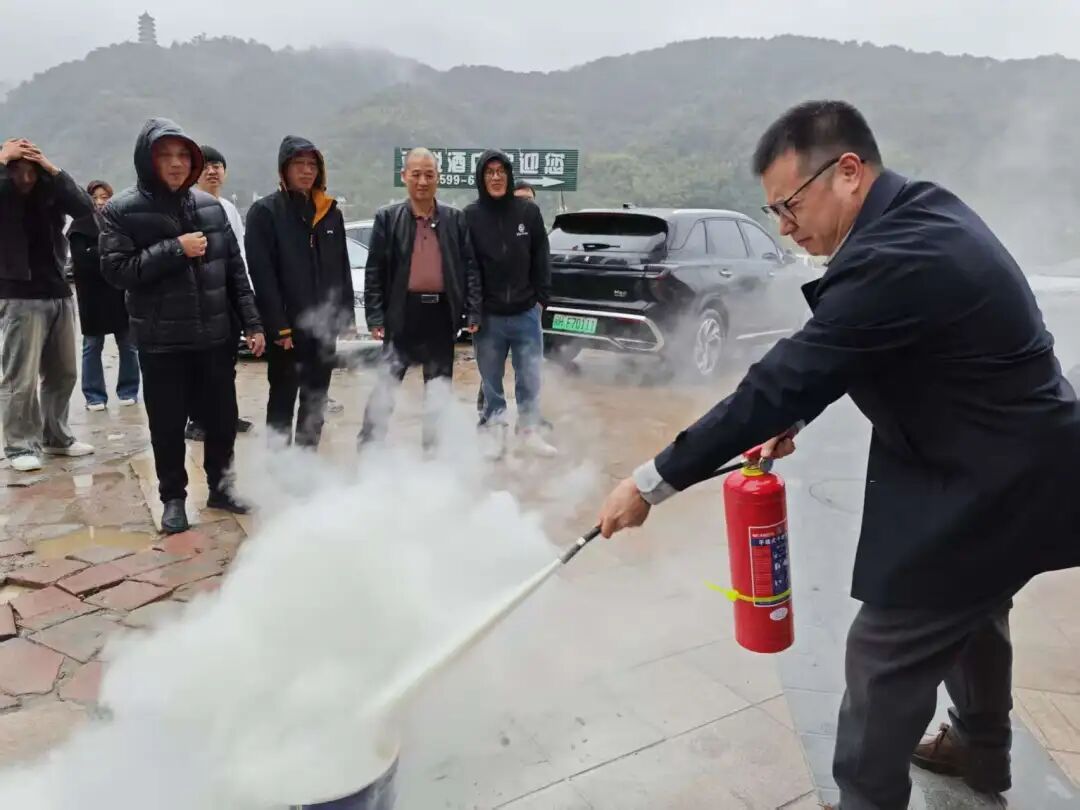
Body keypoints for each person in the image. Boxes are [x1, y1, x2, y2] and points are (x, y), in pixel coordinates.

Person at [595, 100, 1080, 810]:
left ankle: (867, 798)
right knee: (973, 609)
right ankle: (981, 749)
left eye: (789, 206)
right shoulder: (917, 214)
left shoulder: (896, 255)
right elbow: (860, 349)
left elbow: (787, 376)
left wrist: (650, 482)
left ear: (848, 172)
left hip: (991, 478)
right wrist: (795, 415)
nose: (786, 228)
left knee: (885, 653)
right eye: (774, 214)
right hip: (1006, 456)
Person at [100, 118, 265, 534]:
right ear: (147, 160)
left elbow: (235, 271)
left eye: (182, 156)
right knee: (168, 425)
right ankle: (173, 498)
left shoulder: (211, 207)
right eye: (165, 155)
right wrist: (175, 248)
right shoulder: (121, 210)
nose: (176, 164)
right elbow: (116, 271)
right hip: (161, 341)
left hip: (214, 337)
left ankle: (222, 488)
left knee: (222, 420)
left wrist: (252, 323)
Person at [359, 147, 481, 452]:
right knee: (387, 383)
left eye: (429, 174)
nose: (423, 181)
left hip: (441, 314)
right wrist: (375, 316)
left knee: (439, 387)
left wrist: (472, 311)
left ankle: (433, 451)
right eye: (416, 174)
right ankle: (369, 445)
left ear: (438, 177)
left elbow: (470, 268)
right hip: (402, 313)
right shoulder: (388, 218)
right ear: (404, 177)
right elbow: (374, 271)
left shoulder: (454, 219)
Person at [245, 136, 353, 448]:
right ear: (284, 169)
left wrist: (343, 315)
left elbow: (341, 267)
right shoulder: (265, 212)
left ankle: (306, 463)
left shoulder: (330, 212)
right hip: (288, 329)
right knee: (282, 398)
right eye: (298, 164)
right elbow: (262, 275)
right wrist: (278, 325)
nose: (306, 171)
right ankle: (279, 465)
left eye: (312, 165)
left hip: (323, 326)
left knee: (316, 399)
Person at [0, 138, 95, 472]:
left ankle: (56, 437)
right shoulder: (4, 192)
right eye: (19, 169)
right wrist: (2, 160)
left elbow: (84, 207)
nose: (26, 176)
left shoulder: (50, 189)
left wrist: (53, 169)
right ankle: (19, 446)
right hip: (18, 295)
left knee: (63, 372)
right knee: (20, 378)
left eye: (32, 169)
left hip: (58, 291)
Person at [465, 150, 555, 458]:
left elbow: (541, 257)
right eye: (489, 172)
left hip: (525, 312)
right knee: (491, 381)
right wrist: (473, 310)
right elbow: (469, 266)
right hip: (488, 317)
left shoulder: (528, 212)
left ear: (508, 175)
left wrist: (541, 300)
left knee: (529, 377)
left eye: (500, 171)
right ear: (481, 177)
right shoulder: (471, 215)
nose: (495, 177)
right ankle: (495, 432)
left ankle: (528, 431)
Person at [186, 145, 253, 440]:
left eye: (218, 166)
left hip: (228, 296)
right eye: (206, 166)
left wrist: (246, 298)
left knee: (227, 362)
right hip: (200, 298)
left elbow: (239, 256)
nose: (212, 171)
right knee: (200, 363)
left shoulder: (229, 208)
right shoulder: (187, 206)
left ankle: (226, 415)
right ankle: (197, 420)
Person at [68, 180, 140, 412]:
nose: (100, 202)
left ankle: (128, 390)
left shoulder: (122, 222)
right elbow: (82, 260)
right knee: (92, 345)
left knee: (128, 344)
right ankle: (94, 396)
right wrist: (111, 255)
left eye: (105, 197)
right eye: (95, 197)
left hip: (120, 293)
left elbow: (131, 253)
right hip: (91, 295)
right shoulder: (78, 227)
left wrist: (102, 254)